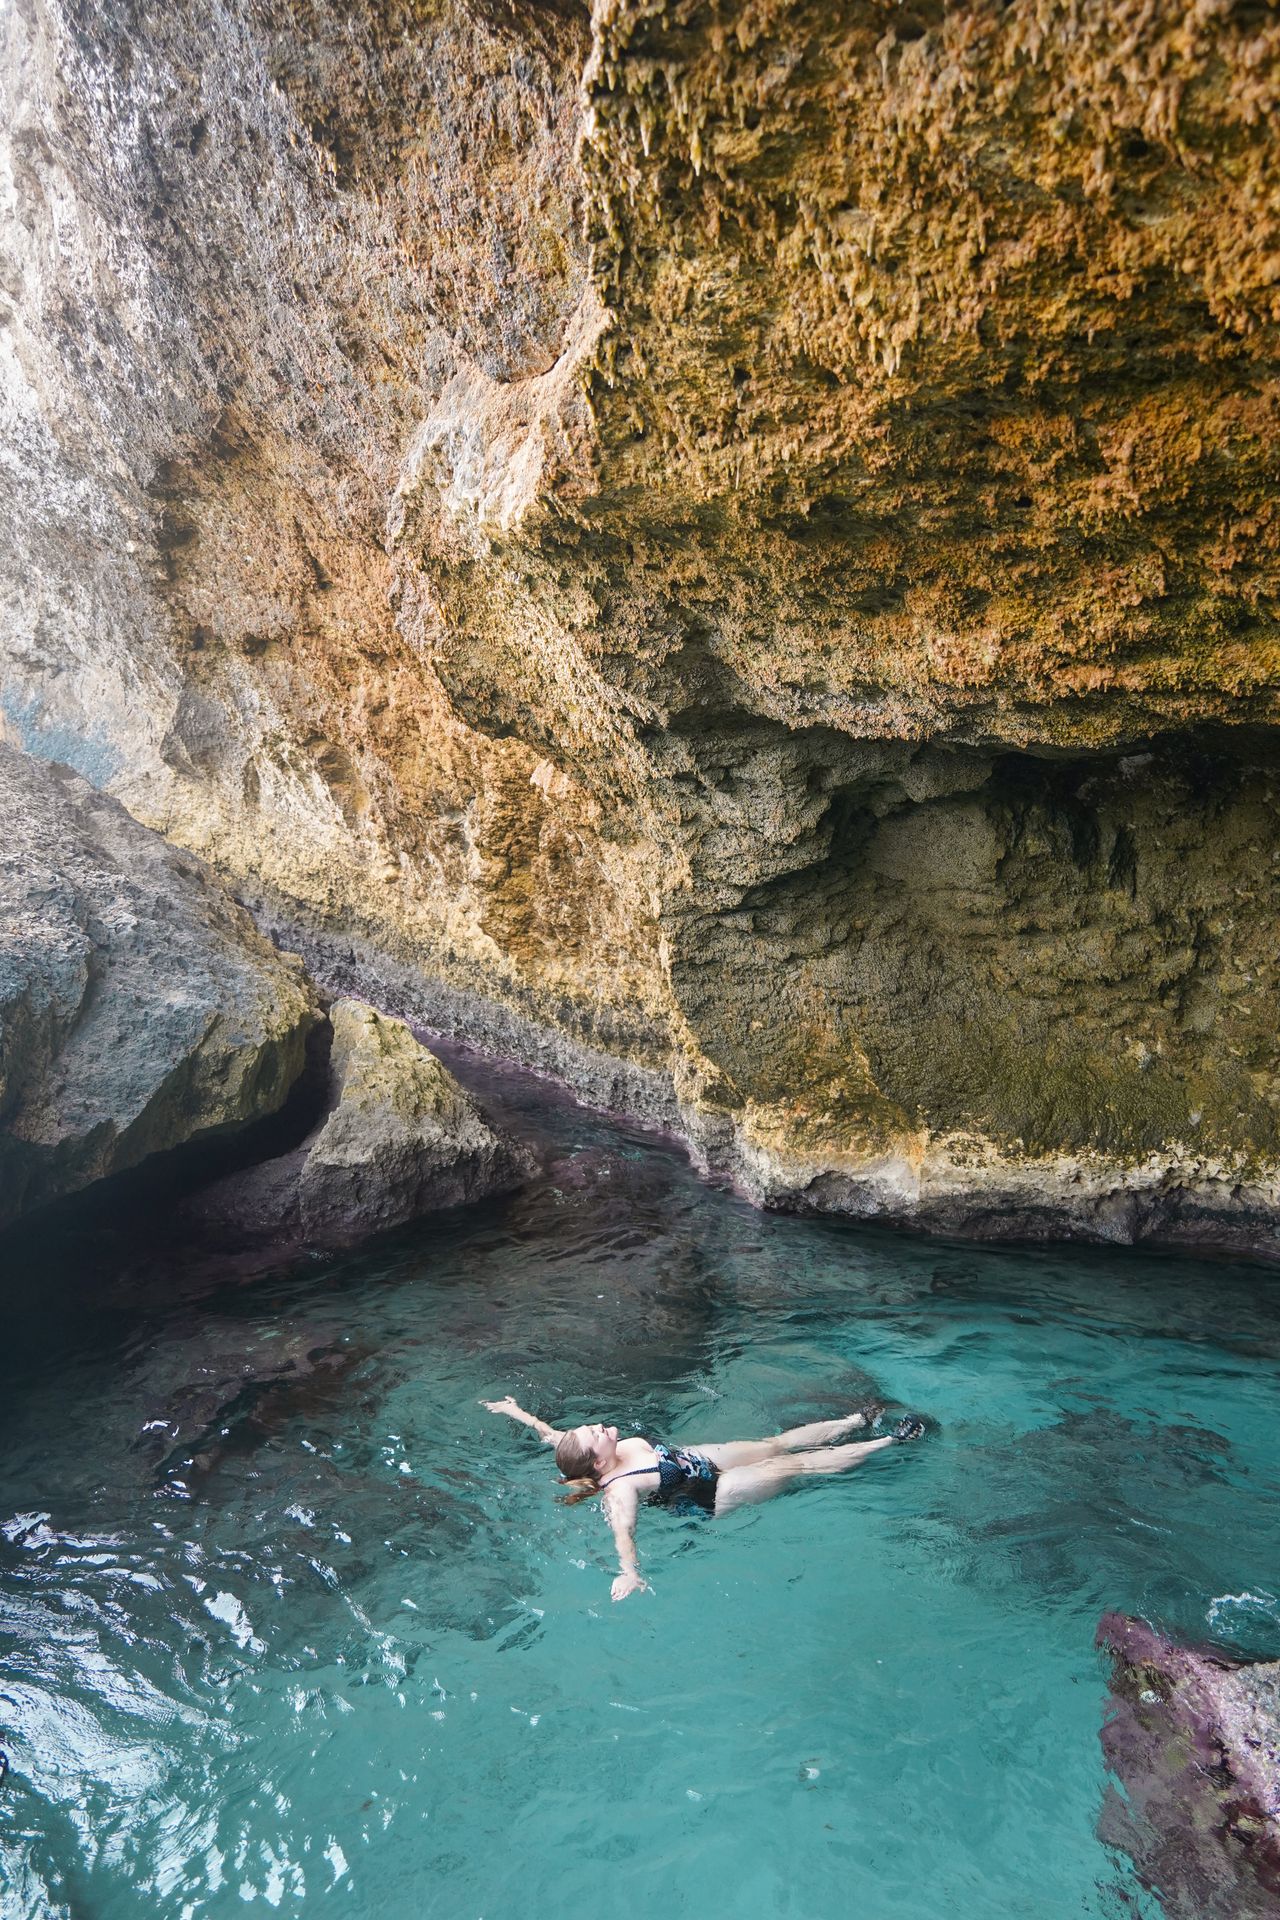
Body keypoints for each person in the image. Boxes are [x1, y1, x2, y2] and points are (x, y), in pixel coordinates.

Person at [481, 1394, 928, 1602]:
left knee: (775, 1444)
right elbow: (624, 1534)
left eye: (591, 1427)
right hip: (713, 1493)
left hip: (693, 1459)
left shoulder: (593, 1452)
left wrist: (515, 1411)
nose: (596, 1426)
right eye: (592, 1435)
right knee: (797, 1466)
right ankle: (890, 1443)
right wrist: (629, 1574)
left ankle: (855, 1420)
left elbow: (549, 1435)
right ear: (597, 1464)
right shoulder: (620, 1489)